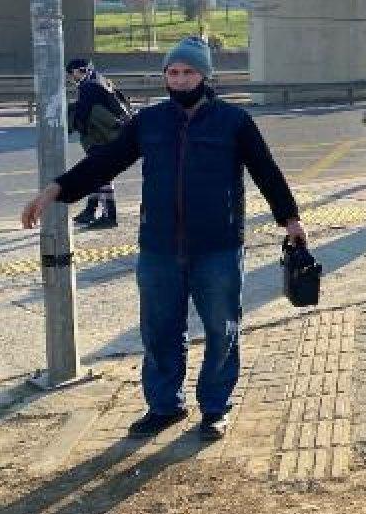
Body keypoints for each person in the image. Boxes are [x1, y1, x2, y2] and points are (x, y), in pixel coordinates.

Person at [21, 36, 306, 441]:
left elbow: (266, 171)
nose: (181, 79)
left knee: (222, 329)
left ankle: (214, 409)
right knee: (158, 330)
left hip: (218, 246)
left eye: (189, 71)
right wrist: (56, 189)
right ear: (165, 76)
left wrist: (290, 219)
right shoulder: (149, 122)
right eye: (173, 72)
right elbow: (106, 160)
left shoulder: (234, 121)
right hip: (158, 248)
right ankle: (164, 406)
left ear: (204, 75)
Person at [65, 58, 131, 229]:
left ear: (80, 71)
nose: (71, 78)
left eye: (72, 74)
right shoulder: (100, 80)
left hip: (102, 137)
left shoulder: (88, 87)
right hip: (115, 134)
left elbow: (83, 116)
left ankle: (110, 215)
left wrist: (70, 124)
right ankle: (90, 210)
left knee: (101, 174)